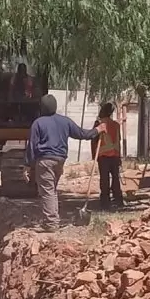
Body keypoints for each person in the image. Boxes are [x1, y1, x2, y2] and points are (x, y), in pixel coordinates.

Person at [25, 94, 104, 232]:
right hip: (60, 160)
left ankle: (51, 223)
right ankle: (53, 219)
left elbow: (32, 146)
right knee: (52, 190)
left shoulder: (38, 123)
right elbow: (82, 134)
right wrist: (97, 130)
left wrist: (27, 165)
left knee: (47, 191)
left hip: (45, 161)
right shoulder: (64, 121)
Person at [91, 102, 123, 209]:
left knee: (104, 179)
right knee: (115, 178)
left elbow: (93, 140)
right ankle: (118, 200)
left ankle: (105, 201)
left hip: (103, 156)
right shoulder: (116, 125)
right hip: (115, 155)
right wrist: (119, 157)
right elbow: (119, 140)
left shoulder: (99, 124)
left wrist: (93, 155)